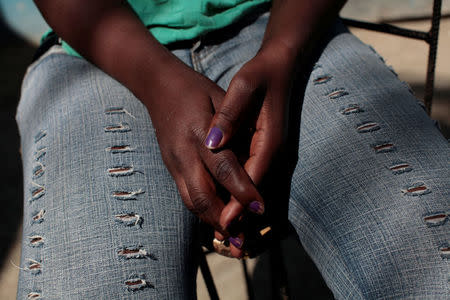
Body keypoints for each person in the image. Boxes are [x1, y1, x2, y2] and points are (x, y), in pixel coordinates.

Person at [16, 0, 449, 299]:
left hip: (280, 26)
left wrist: (282, 53)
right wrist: (157, 82)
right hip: (93, 53)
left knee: (432, 250)